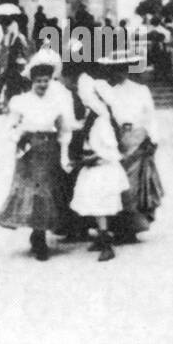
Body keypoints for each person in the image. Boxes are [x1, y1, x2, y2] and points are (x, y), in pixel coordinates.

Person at [0, 60, 72, 260]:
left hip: (49, 150)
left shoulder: (55, 103)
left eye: (45, 81)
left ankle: (39, 234)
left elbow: (64, 130)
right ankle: (38, 237)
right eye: (38, 81)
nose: (42, 85)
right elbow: (9, 126)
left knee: (46, 192)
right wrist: (19, 136)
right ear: (32, 81)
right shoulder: (21, 101)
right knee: (32, 192)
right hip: (28, 152)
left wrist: (64, 154)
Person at [104, 56, 163, 241]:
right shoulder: (108, 92)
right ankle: (120, 227)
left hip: (138, 139)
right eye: (116, 69)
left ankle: (132, 227)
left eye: (123, 68)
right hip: (118, 139)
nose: (120, 72)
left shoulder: (141, 90)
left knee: (135, 185)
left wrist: (153, 138)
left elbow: (150, 115)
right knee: (118, 183)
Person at [70, 73, 129, 262]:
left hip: (102, 169)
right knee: (94, 204)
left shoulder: (102, 122)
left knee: (101, 205)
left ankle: (106, 244)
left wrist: (89, 159)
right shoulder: (92, 119)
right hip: (94, 168)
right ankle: (102, 236)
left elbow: (110, 151)